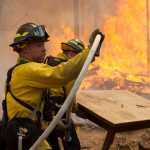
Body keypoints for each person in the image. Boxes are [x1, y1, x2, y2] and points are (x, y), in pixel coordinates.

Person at [0, 22, 103, 150]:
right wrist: (90, 52)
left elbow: (29, 109)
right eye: (39, 45)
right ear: (24, 47)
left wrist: (52, 122)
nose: (44, 49)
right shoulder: (27, 70)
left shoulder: (19, 70)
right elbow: (59, 74)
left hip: (28, 130)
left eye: (43, 44)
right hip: (25, 132)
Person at [43, 39, 85, 150]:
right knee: (73, 146)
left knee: (51, 145)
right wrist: (77, 110)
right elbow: (70, 97)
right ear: (71, 53)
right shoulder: (68, 68)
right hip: (59, 112)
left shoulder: (50, 62)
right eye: (79, 57)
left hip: (45, 112)